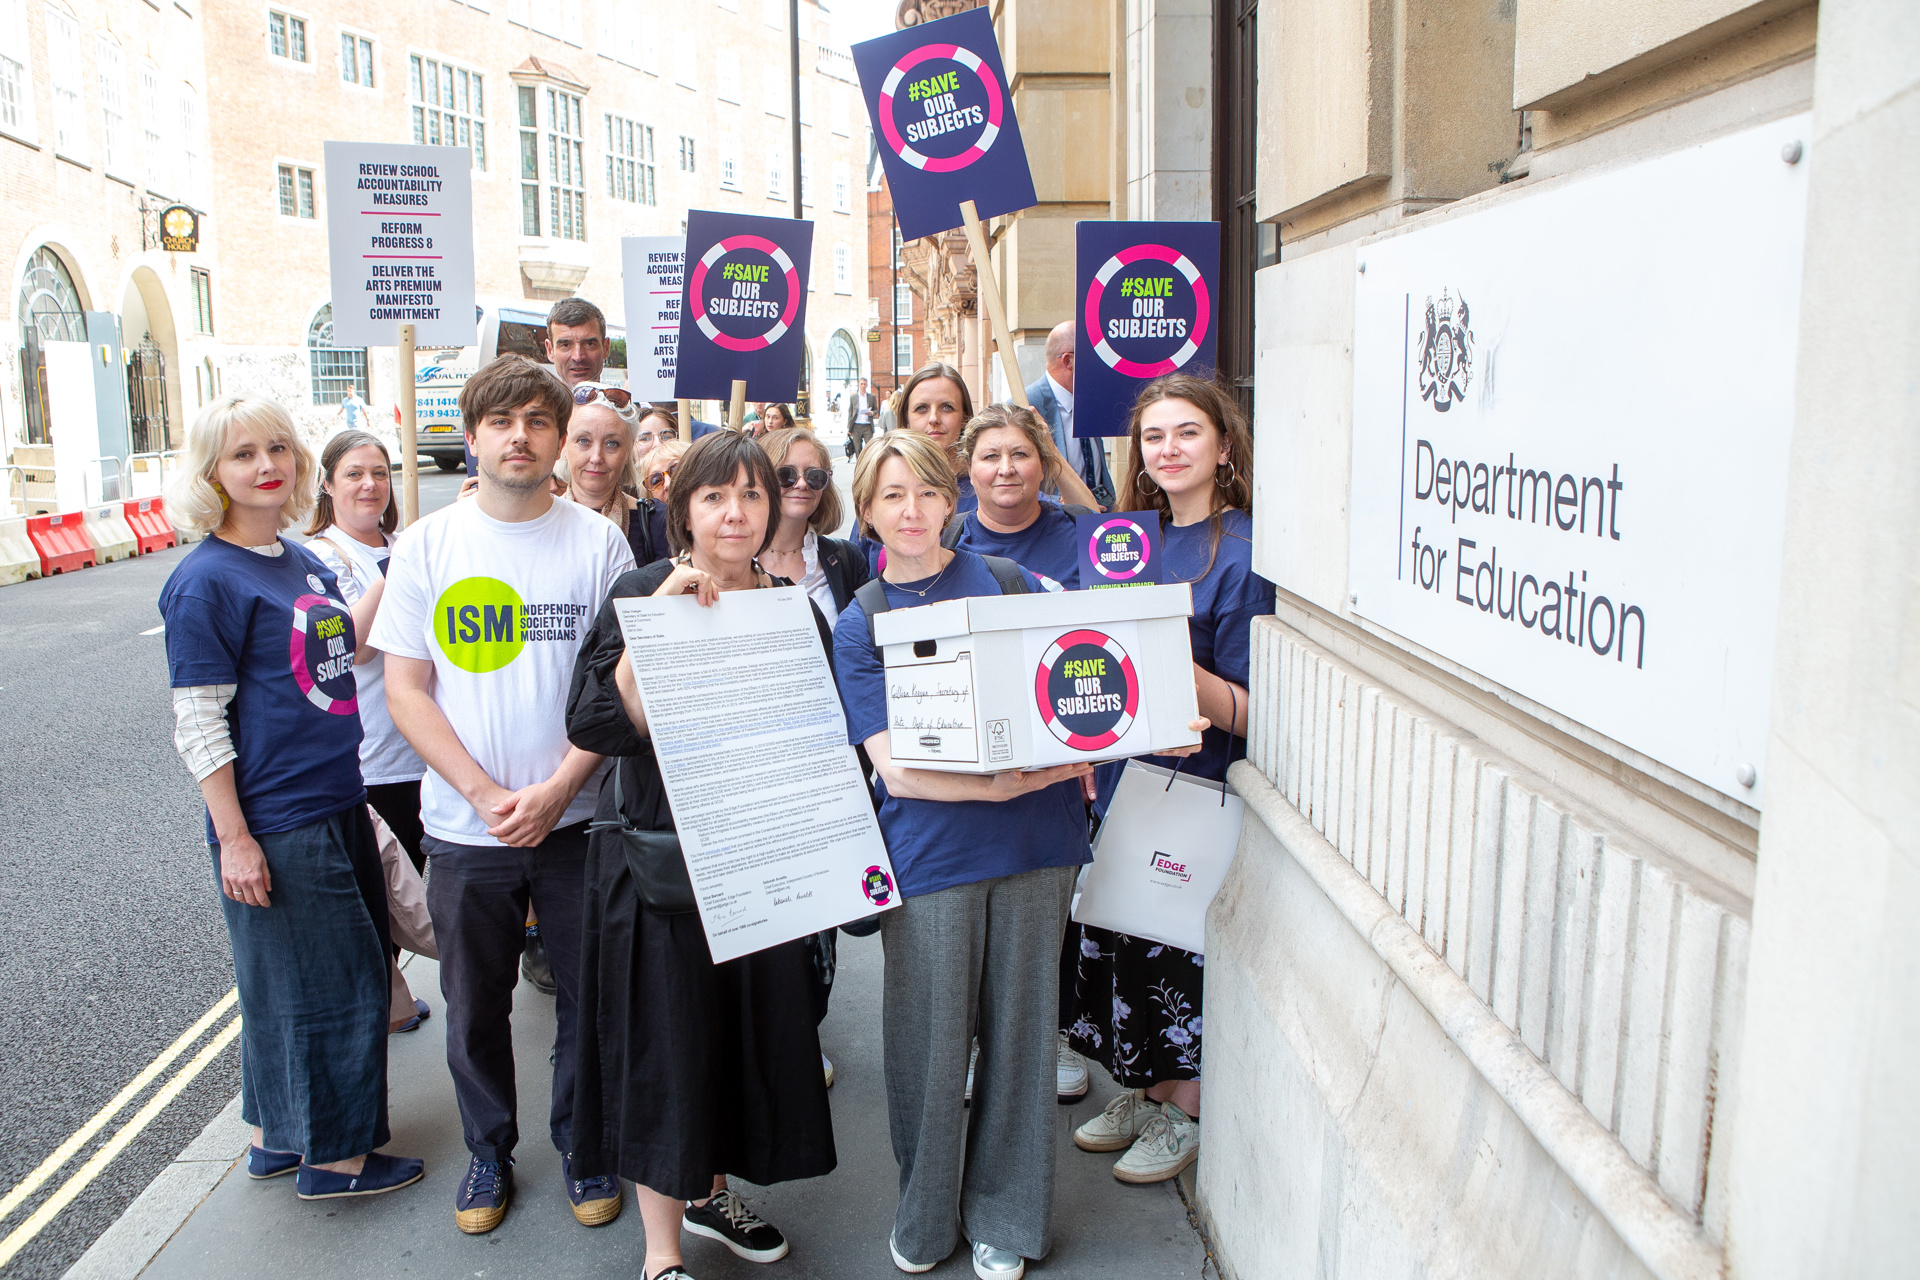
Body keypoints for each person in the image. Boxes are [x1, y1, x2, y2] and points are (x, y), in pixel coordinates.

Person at [371, 354, 636, 1235]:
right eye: (500, 421)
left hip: (578, 819)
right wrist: (485, 794)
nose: (518, 436)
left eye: (536, 420)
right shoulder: (426, 547)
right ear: (473, 435)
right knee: (475, 1005)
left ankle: (584, 1143)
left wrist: (562, 786)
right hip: (464, 826)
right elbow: (407, 689)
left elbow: (620, 687)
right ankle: (488, 1151)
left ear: (560, 439)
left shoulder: (598, 542)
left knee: (590, 999)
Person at [568, 432, 836, 1280]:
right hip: (662, 870)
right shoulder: (642, 591)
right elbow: (591, 723)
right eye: (715, 496)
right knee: (669, 1047)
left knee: (737, 1042)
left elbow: (821, 737)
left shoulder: (793, 606)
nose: (735, 513)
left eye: (751, 496)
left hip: (760, 861)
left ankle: (713, 1195)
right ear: (682, 507)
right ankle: (660, 1253)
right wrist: (655, 633)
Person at [829, 432, 1095, 1279]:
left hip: (1034, 844)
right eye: (892, 496)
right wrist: (1001, 787)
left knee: (1020, 1039)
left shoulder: (1014, 584)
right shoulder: (859, 619)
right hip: (934, 851)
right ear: (867, 510)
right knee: (929, 1044)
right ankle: (925, 1214)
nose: (912, 511)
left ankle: (1007, 1219)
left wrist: (1089, 746)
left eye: (927, 492)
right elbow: (894, 768)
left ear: (952, 500)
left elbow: (1069, 696)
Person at [159, 395, 424, 1201]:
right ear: (212, 473)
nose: (266, 464)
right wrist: (234, 837)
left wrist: (401, 568)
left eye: (277, 447)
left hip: (339, 796)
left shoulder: (300, 561)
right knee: (340, 983)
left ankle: (277, 1139)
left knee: (285, 988)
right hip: (279, 819)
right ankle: (336, 1161)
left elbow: (344, 651)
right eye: (242, 455)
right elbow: (198, 723)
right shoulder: (204, 582)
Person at [1068, 372, 1273, 1185]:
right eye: (1155, 436)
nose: (1169, 449)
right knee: (1125, 940)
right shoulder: (1130, 540)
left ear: (1224, 444)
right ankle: (1147, 1091)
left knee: (1175, 951)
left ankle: (1185, 1105)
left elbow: (1259, 710)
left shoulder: (1248, 551)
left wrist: (1169, 664)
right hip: (1124, 781)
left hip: (1196, 790)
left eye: (1188, 432)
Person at [303, 429, 435, 1034]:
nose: (370, 485)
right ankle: (388, 996)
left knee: (417, 887)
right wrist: (396, 569)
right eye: (354, 473)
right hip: (369, 752)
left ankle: (393, 989)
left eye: (380, 473)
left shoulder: (408, 542)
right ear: (328, 484)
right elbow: (348, 650)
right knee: (379, 889)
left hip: (428, 746)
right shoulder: (319, 558)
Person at [946, 404, 1086, 590]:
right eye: (991, 456)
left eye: (1019, 454)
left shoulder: (1084, 536)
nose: (1006, 469)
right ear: (970, 470)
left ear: (1042, 465)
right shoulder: (943, 544)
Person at [757, 426, 869, 626]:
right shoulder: (734, 560)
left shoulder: (847, 559)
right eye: (786, 475)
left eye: (814, 476)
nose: (801, 484)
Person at [563, 383, 655, 568]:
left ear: (628, 451)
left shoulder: (656, 521)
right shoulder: (537, 521)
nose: (596, 457)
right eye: (583, 441)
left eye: (611, 443)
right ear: (563, 446)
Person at [1027, 321, 1114, 510]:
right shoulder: (1025, 406)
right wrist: (1068, 505)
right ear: (1068, 361)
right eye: (1096, 357)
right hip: (1055, 528)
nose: (1104, 365)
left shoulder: (1088, 399)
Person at [545, 297, 610, 388]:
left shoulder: (624, 402)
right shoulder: (538, 402)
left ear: (606, 348)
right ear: (550, 350)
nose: (578, 357)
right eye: (565, 345)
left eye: (589, 344)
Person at [845, 376, 878, 452]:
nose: (863, 386)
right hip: (856, 425)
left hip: (868, 425)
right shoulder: (853, 397)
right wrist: (849, 428)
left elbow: (876, 410)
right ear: (859, 385)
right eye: (861, 384)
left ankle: (869, 463)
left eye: (865, 384)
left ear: (867, 385)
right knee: (858, 448)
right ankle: (859, 463)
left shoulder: (871, 397)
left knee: (870, 447)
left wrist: (872, 413)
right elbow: (850, 412)